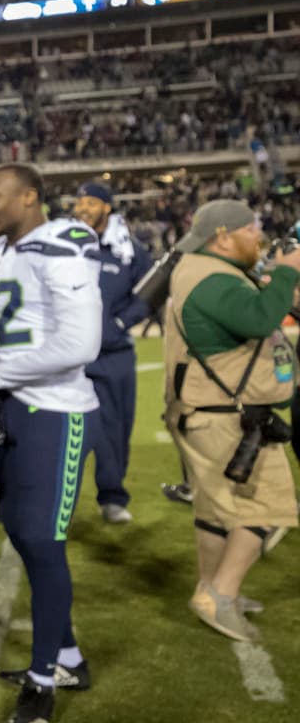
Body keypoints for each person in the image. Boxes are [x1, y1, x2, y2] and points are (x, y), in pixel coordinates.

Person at [0, 163, 102, 723]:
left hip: (57, 412)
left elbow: (81, 343)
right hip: (14, 409)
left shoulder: (63, 243)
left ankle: (44, 680)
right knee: (23, 534)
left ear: (29, 196)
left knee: (43, 543)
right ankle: (68, 656)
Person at [162, 200, 300, 642]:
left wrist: (275, 279)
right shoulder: (211, 278)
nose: (259, 237)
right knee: (269, 509)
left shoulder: (202, 269)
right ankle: (220, 595)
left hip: (211, 411)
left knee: (215, 512)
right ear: (222, 236)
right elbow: (260, 319)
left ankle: (210, 587)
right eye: (251, 229)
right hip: (226, 418)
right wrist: (287, 272)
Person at [74, 181, 154, 524]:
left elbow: (150, 292)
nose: (83, 209)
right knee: (62, 427)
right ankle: (52, 498)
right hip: (70, 355)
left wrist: (121, 323)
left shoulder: (128, 249)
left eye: (91, 203)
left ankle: (112, 497)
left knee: (115, 428)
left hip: (113, 354)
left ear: (107, 207)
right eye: (79, 203)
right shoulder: (66, 244)